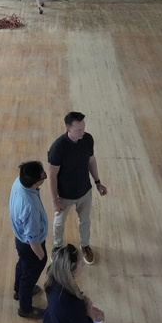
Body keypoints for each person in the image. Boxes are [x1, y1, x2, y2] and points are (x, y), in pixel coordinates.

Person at [48, 112, 107, 265]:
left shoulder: (87, 139)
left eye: (83, 127)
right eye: (79, 129)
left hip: (84, 191)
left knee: (85, 220)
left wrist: (98, 182)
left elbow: (91, 161)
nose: (83, 132)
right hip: (65, 195)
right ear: (68, 129)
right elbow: (52, 176)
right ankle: (57, 247)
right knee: (59, 222)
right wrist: (55, 199)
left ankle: (85, 245)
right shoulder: (57, 148)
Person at [9, 160, 49, 319]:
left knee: (23, 264)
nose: (44, 176)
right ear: (35, 184)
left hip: (20, 240)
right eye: (43, 175)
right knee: (29, 276)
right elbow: (33, 238)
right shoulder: (30, 207)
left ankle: (18, 290)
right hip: (30, 245)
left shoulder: (19, 181)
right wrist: (41, 256)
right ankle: (25, 308)